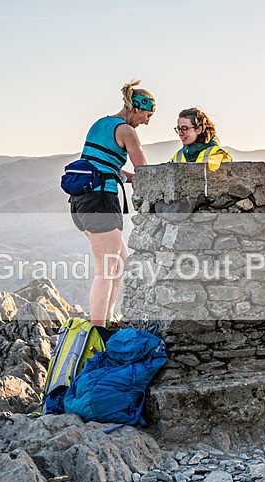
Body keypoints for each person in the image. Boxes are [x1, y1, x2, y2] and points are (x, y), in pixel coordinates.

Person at [71, 80, 154, 327]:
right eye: (148, 115)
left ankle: (105, 321)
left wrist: (131, 179)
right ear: (137, 108)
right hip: (101, 202)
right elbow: (145, 171)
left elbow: (108, 168)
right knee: (106, 272)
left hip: (80, 201)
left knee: (116, 266)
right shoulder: (127, 131)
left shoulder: (100, 124)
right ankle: (97, 329)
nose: (147, 122)